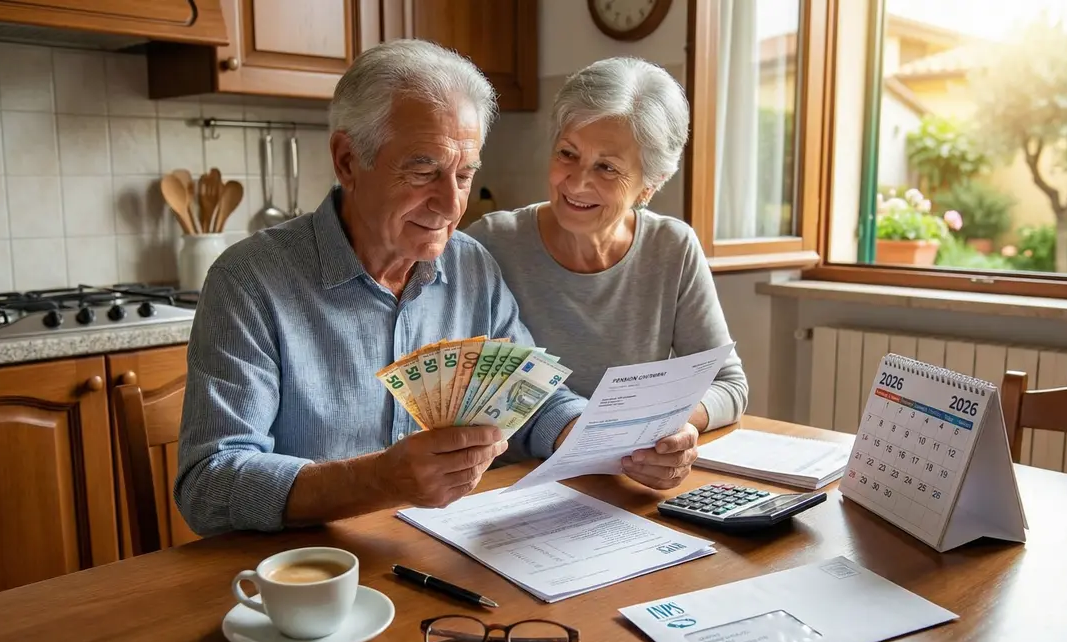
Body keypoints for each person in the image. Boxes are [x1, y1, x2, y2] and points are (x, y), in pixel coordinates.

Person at [176, 41, 700, 537]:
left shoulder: (471, 265)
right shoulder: (249, 281)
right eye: (423, 169)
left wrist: (618, 439)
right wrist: (377, 481)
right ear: (346, 161)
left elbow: (532, 402)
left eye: (465, 175)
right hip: (308, 574)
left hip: (443, 554)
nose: (452, 206)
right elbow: (209, 485)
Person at [466, 57, 748, 454]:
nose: (578, 182)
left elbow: (729, 385)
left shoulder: (672, 248)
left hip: (626, 473)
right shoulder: (490, 244)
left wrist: (671, 427)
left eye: (607, 168)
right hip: (514, 481)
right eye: (567, 153)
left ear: (650, 185)